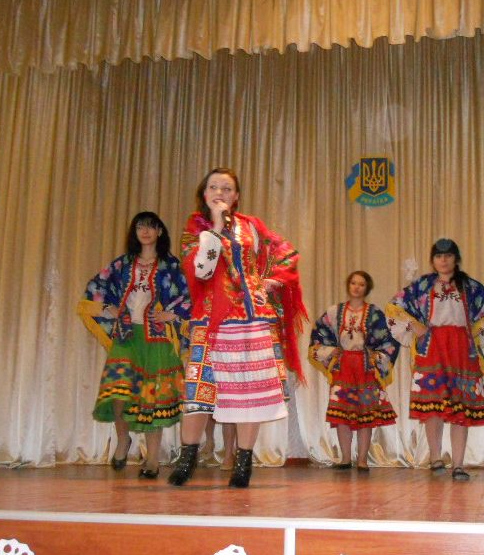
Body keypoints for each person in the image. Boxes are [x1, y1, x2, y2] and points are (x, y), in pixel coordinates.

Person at [169, 167, 307, 487]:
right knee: (199, 390)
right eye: (213, 187)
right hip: (211, 320)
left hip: (251, 318)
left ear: (237, 196)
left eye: (227, 188)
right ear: (204, 194)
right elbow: (202, 271)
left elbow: (287, 254)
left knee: (250, 393)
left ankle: (243, 462)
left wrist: (271, 281)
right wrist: (216, 227)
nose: (220, 192)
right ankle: (187, 458)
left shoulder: (252, 226)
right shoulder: (195, 229)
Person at [77, 212, 191, 479]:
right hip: (127, 335)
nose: (145, 231)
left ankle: (152, 459)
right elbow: (96, 286)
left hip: (157, 338)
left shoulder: (171, 266)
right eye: (140, 227)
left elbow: (189, 296)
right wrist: (108, 307)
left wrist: (172, 314)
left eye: (151, 226)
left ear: (159, 231)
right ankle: (123, 439)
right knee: (118, 390)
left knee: (153, 398)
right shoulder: (123, 264)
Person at [386, 239, 484, 481]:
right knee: (433, 406)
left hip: (462, 350)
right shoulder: (423, 285)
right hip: (433, 347)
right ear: (433, 260)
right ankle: (435, 458)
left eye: (448, 255)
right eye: (439, 256)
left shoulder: (470, 286)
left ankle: (458, 465)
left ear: (456, 258)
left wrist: (475, 331)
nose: (443, 260)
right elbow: (394, 307)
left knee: (460, 407)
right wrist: (414, 325)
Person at [308, 271, 399, 470]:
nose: (357, 287)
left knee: (365, 414)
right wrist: (330, 351)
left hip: (365, 367)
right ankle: (345, 458)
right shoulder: (334, 312)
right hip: (343, 366)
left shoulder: (374, 313)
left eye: (361, 284)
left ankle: (362, 460)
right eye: (353, 283)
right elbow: (319, 333)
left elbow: (388, 339)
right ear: (348, 285)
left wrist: (377, 357)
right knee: (342, 414)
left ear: (367, 288)